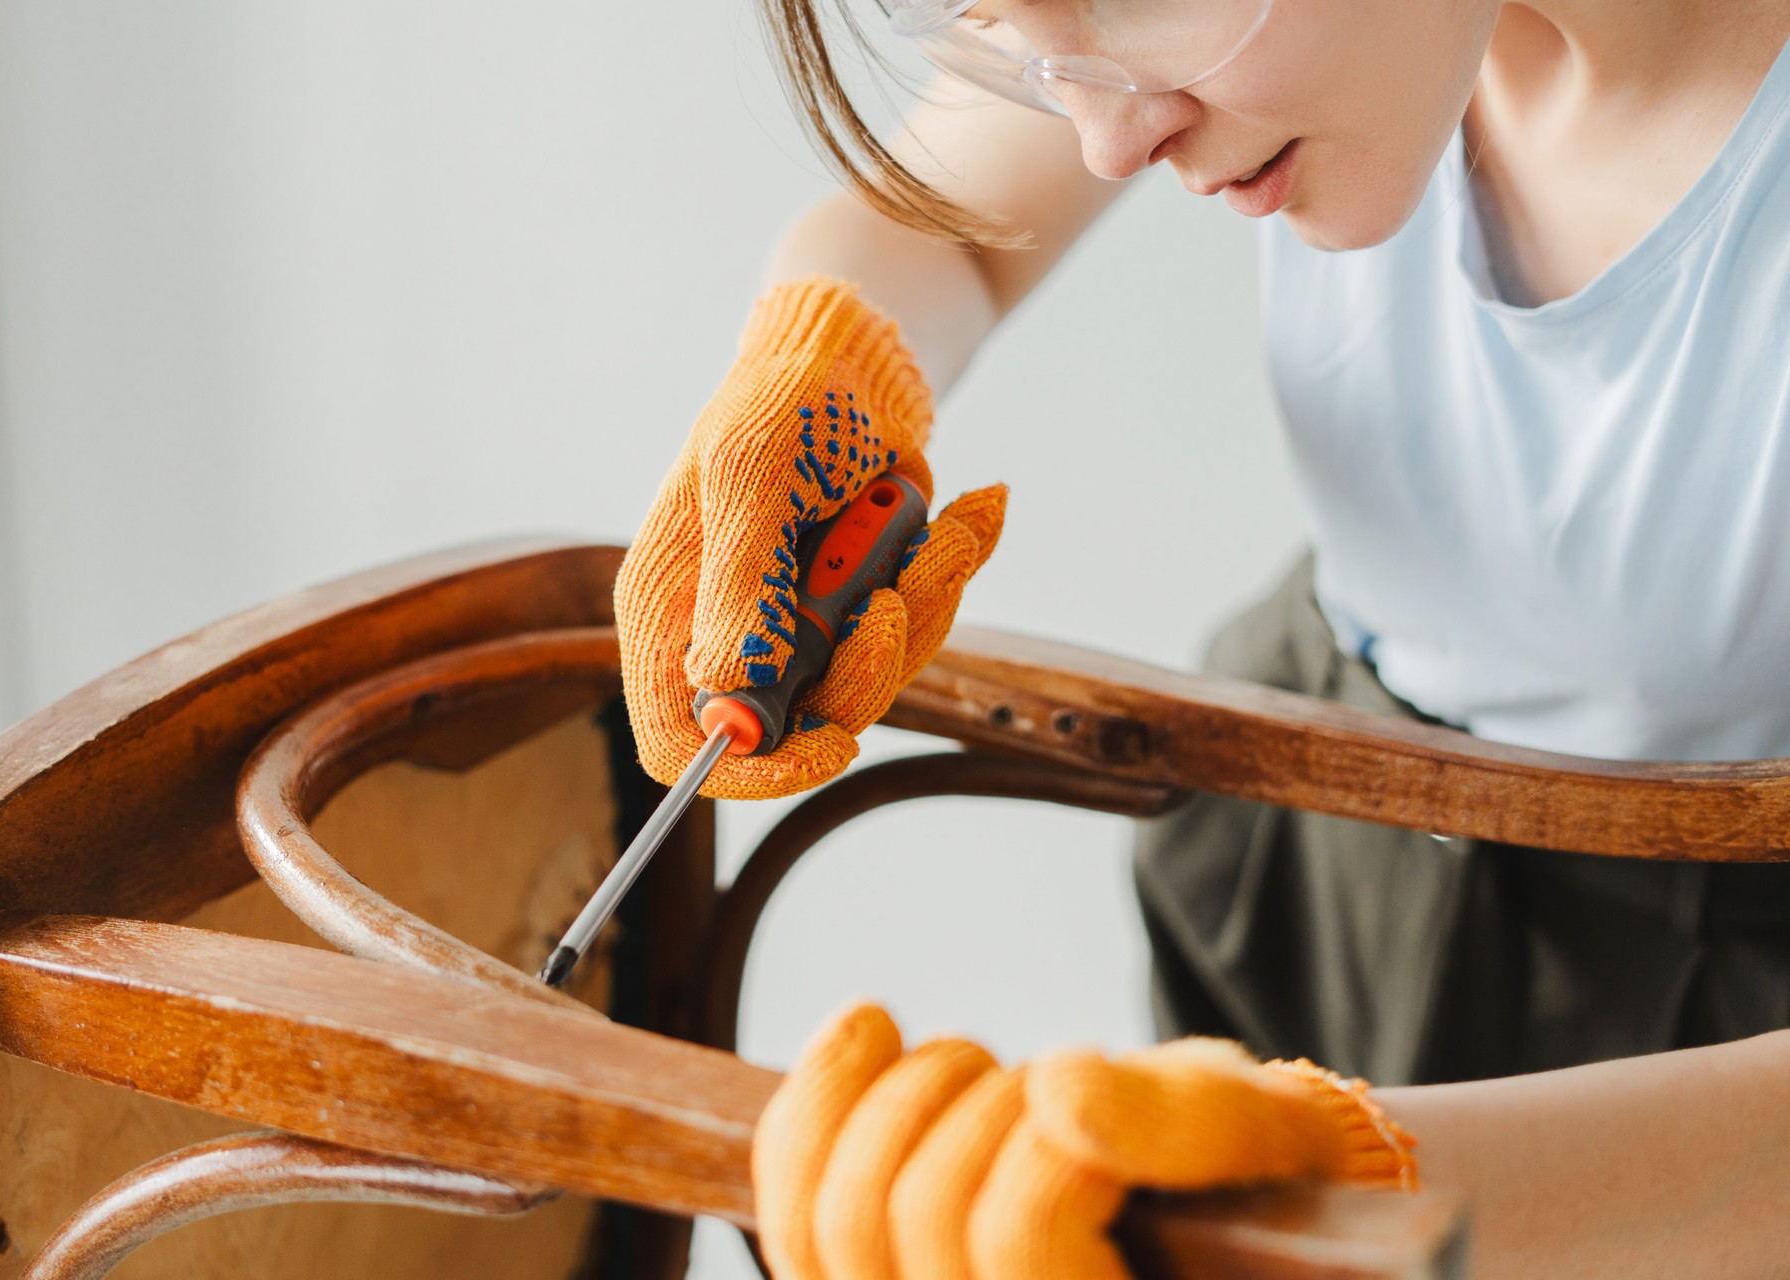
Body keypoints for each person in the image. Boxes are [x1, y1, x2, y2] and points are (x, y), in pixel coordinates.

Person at [615, 0, 1790, 1272]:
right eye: (999, 15)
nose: (1107, 142)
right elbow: (936, 234)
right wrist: (829, 362)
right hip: (1318, 849)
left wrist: (1355, 1180)